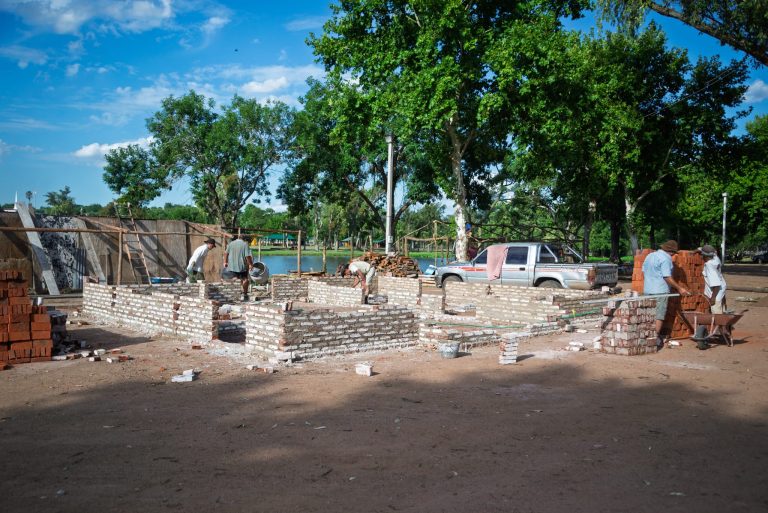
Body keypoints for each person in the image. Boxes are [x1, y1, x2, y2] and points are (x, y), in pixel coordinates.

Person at [642, 239, 691, 349]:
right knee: (659, 315)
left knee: (648, 315)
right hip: (660, 291)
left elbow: (643, 272)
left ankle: (646, 337)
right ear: (672, 252)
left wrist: (650, 282)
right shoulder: (666, 259)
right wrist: (680, 288)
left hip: (647, 290)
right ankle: (653, 340)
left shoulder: (650, 256)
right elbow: (667, 277)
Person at [698, 244, 727, 314]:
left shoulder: (709, 265)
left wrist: (713, 298)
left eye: (702, 255)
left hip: (716, 294)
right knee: (722, 312)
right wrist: (696, 251)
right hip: (721, 290)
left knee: (717, 315)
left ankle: (720, 321)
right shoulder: (716, 259)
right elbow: (709, 250)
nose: (701, 257)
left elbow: (716, 284)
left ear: (705, 256)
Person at [224, 235, 253, 301]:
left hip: (232, 265)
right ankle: (245, 294)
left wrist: (225, 262)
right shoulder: (245, 244)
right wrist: (250, 264)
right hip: (242, 266)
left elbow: (226, 253)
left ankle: (234, 295)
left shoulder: (231, 243)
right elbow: (247, 256)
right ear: (244, 239)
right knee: (245, 280)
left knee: (235, 279)